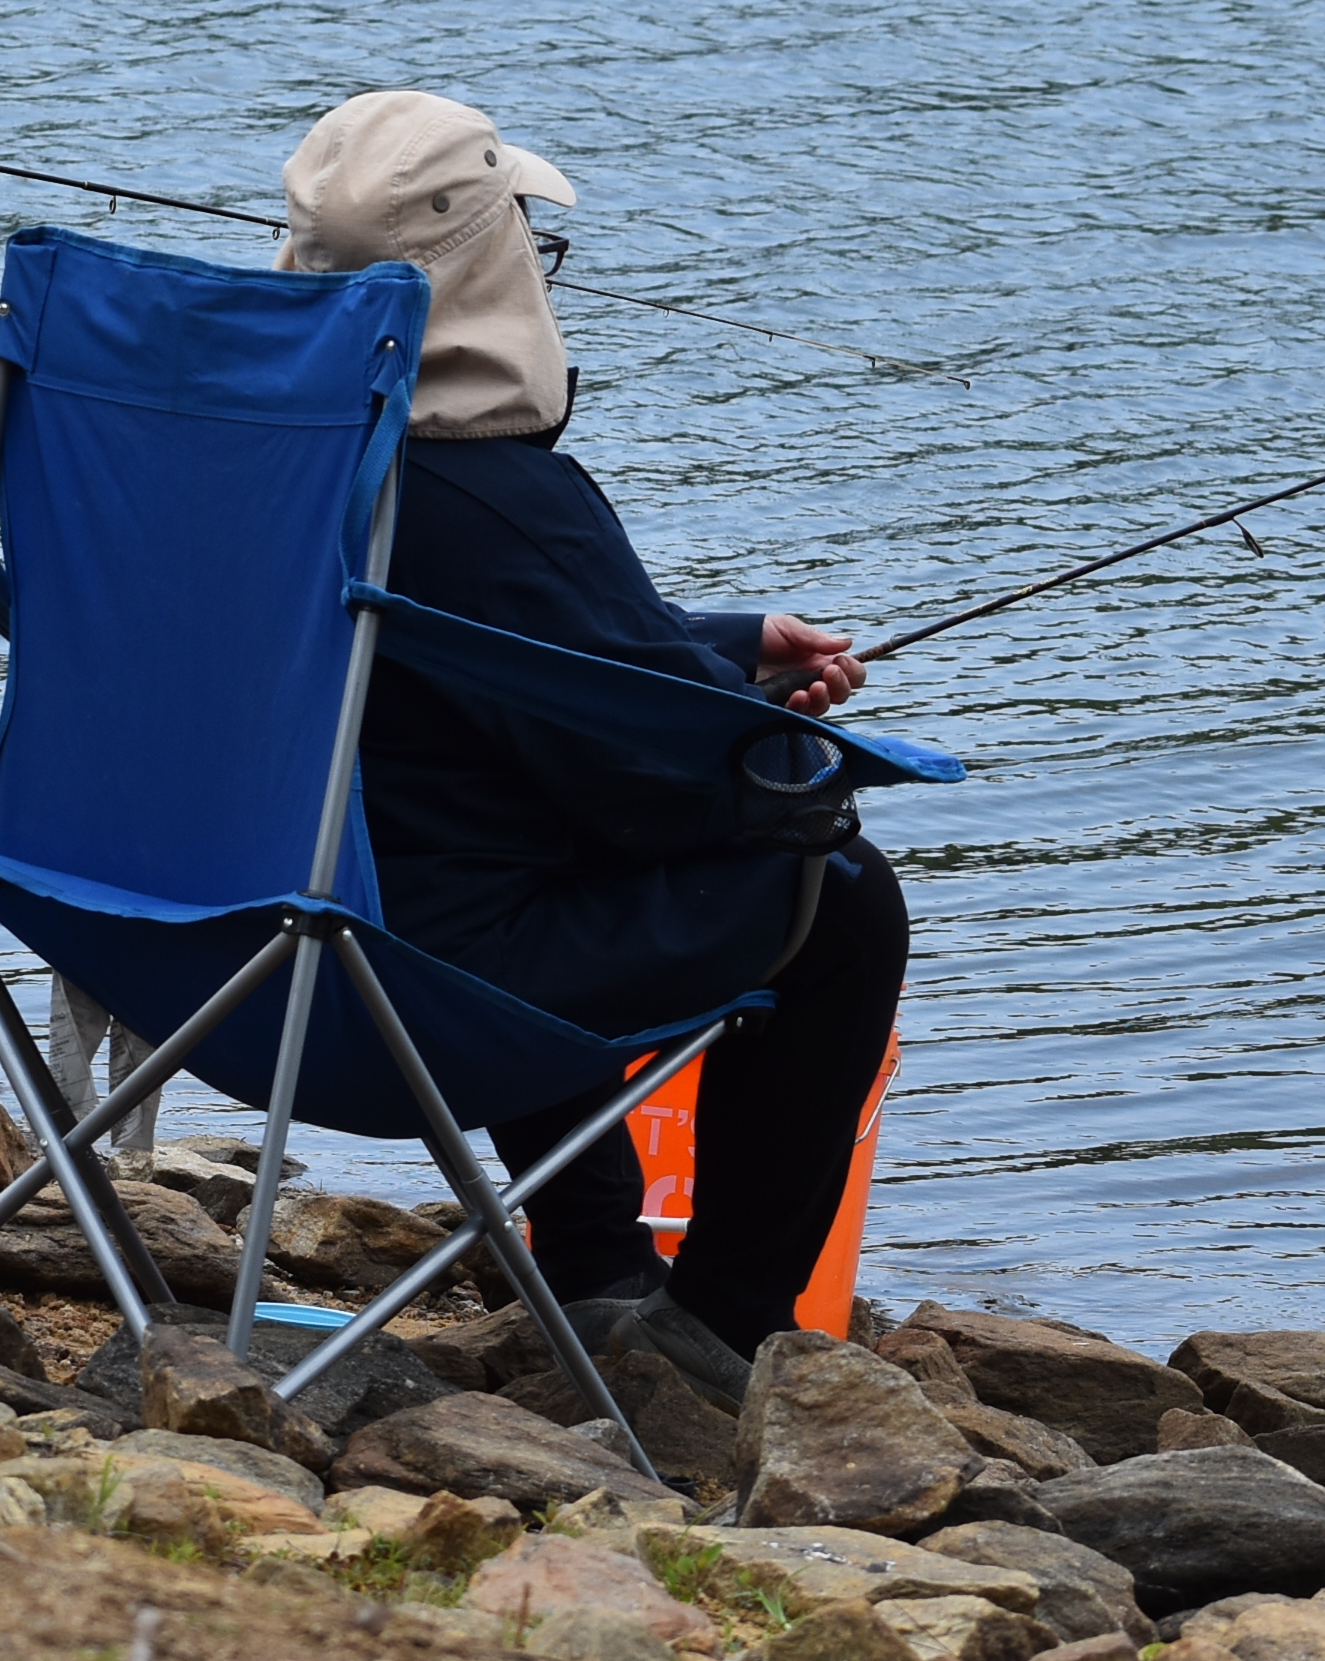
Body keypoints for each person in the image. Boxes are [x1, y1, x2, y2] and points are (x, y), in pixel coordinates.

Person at [275, 88, 908, 1409]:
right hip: (407, 991)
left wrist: (724, 649)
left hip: (202, 943)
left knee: (482, 803)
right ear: (491, 268)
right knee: (839, 899)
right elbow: (661, 791)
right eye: (528, 241)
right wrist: (760, 742)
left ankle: (592, 1262)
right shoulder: (499, 499)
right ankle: (720, 1334)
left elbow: (474, 652)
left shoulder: (260, 464)